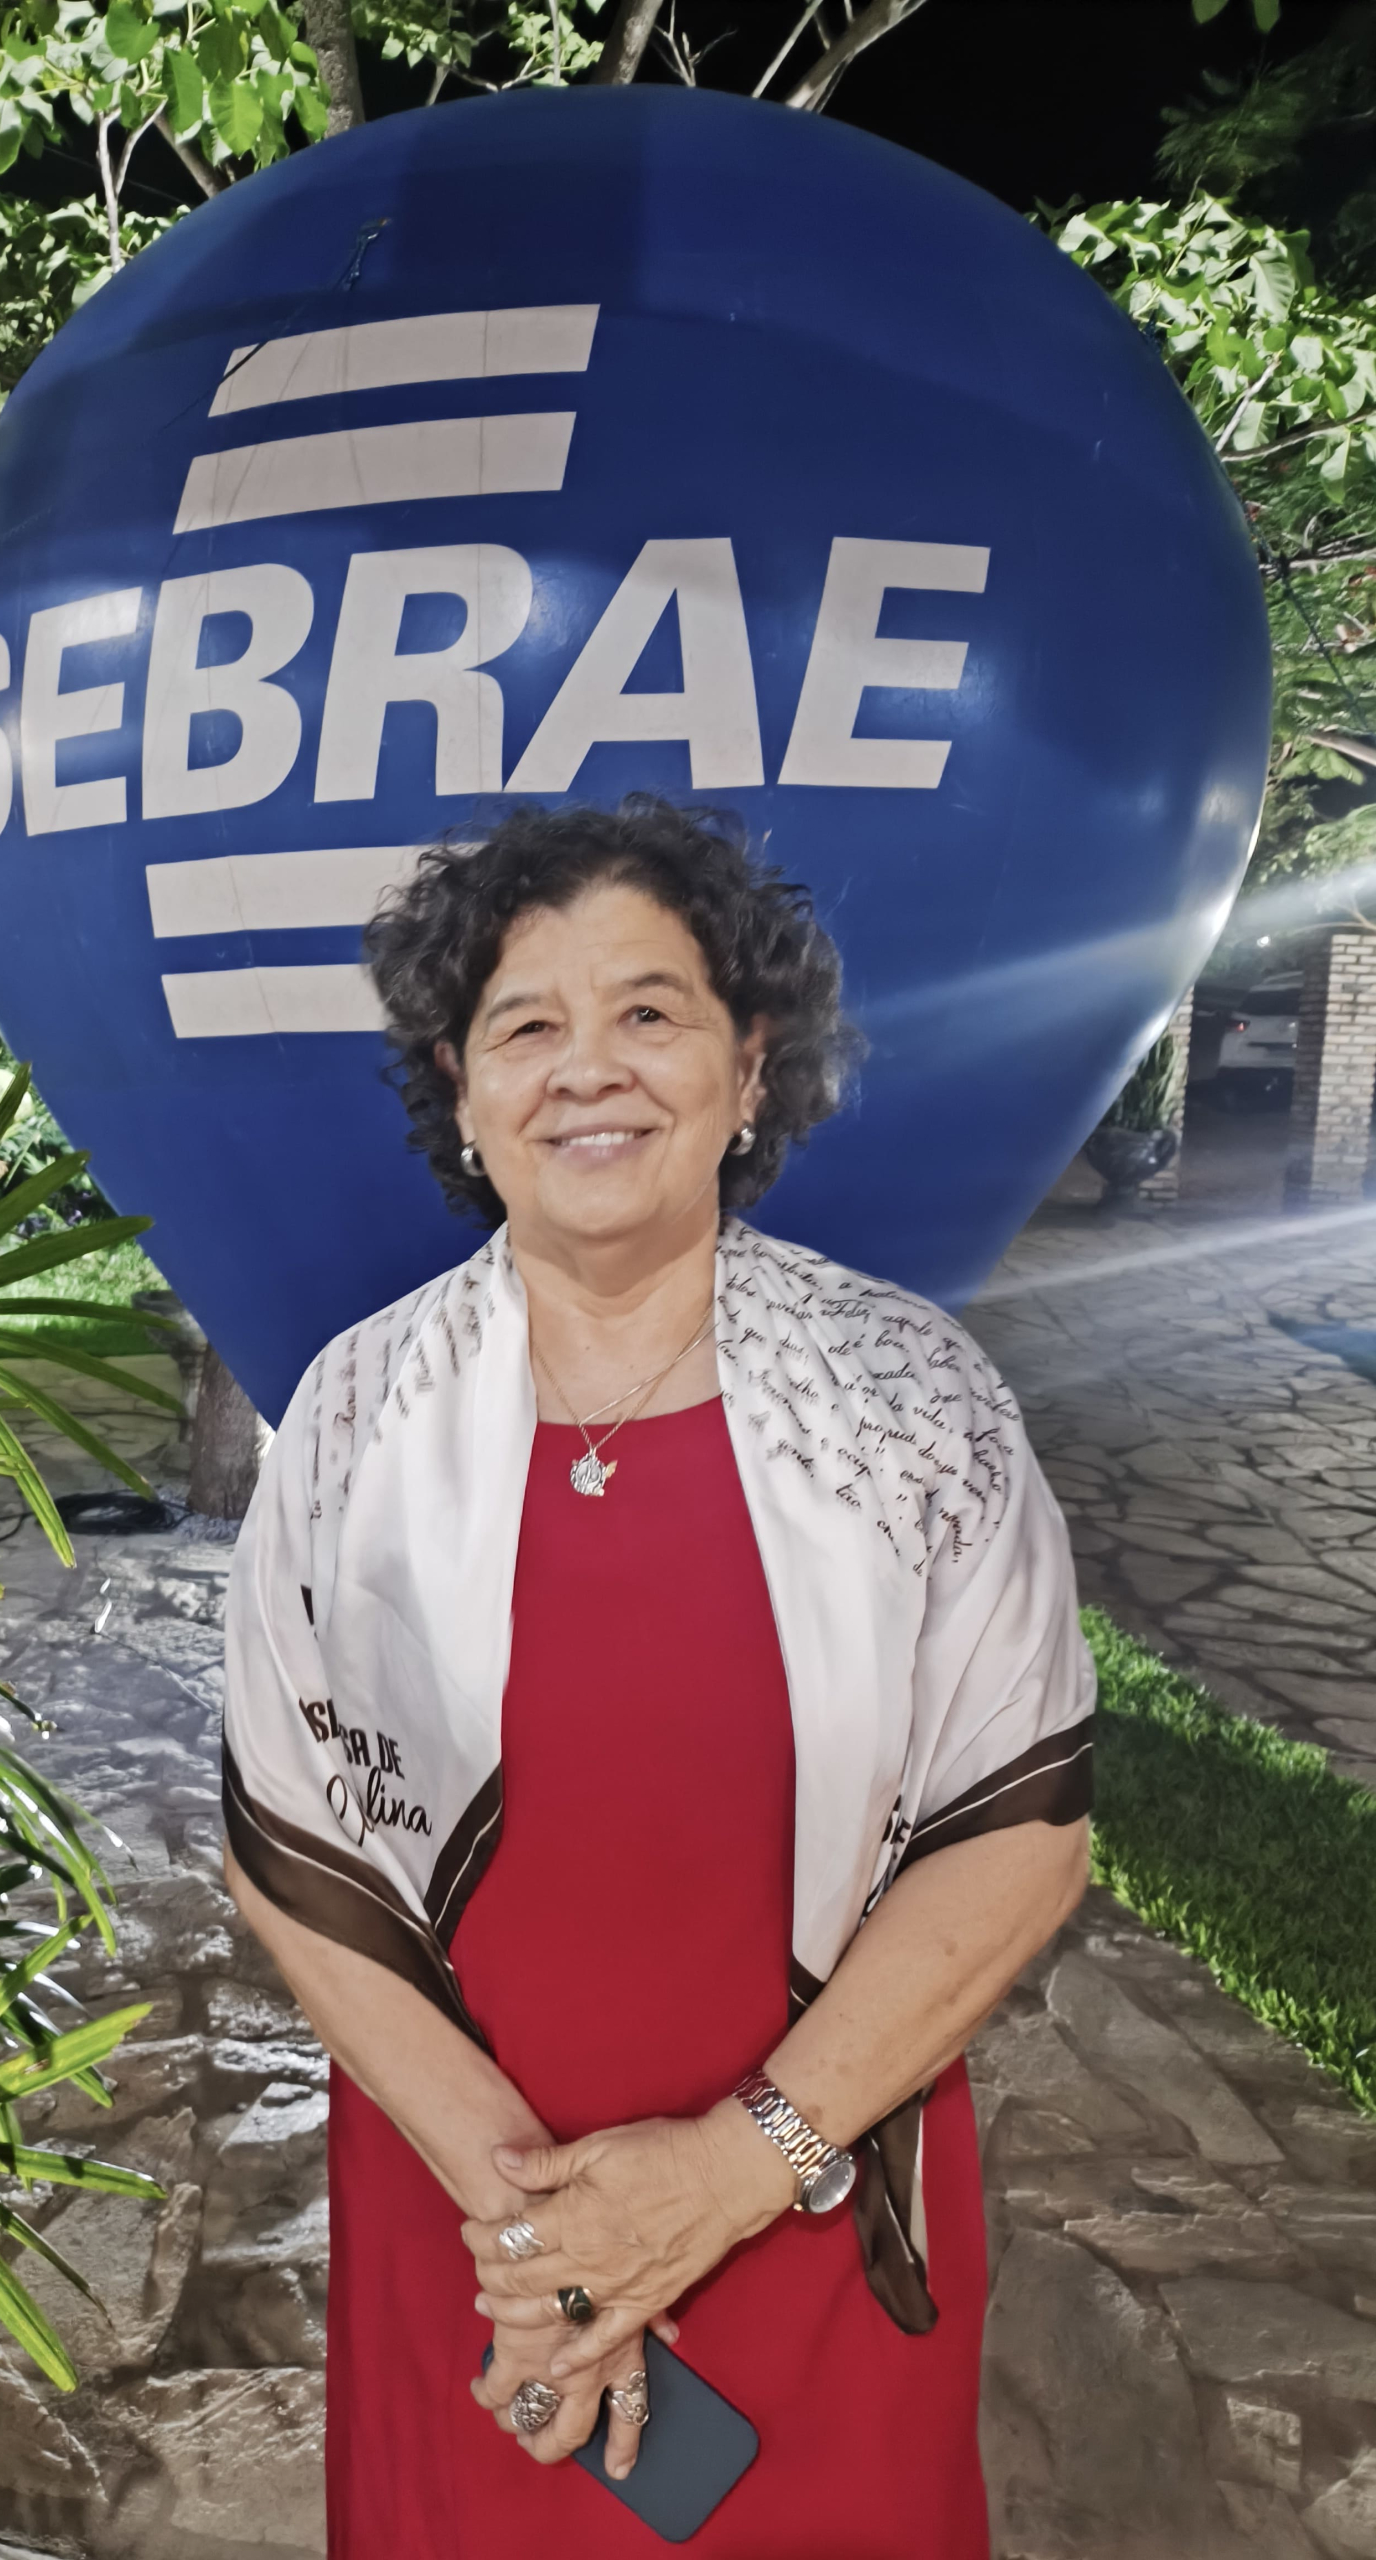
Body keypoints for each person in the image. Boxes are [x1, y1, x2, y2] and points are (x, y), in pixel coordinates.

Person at [221, 799, 1093, 2559]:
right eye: (524, 1026)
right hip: (474, 2229)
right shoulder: (351, 1421)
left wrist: (726, 2173)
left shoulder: (913, 1404)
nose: (586, 1070)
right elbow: (286, 1847)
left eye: (647, 1011)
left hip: (810, 2203)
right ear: (462, 1089)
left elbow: (1024, 1833)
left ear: (747, 1062)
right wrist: (543, 2238)